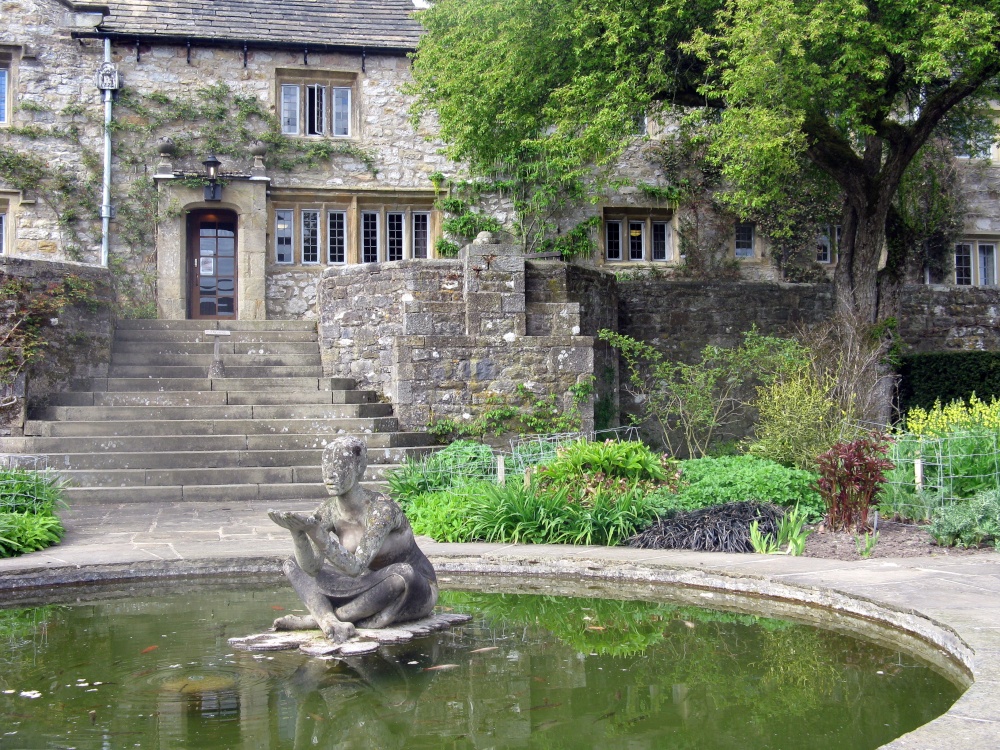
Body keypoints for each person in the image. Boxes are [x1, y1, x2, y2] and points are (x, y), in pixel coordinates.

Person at [268, 436, 438, 642]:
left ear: (359, 468)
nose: (330, 474)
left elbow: (356, 566)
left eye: (340, 467)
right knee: (292, 563)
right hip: (363, 585)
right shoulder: (328, 510)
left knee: (403, 574)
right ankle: (328, 620)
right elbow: (311, 568)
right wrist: (298, 534)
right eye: (326, 466)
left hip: (410, 588)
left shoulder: (382, 509)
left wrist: (317, 533)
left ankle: (319, 618)